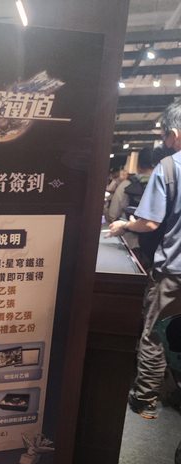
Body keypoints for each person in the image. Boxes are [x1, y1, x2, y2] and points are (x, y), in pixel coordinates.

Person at [108, 99, 181, 419]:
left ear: (174, 133)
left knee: (155, 334)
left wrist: (125, 225)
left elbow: (149, 223)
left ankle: (145, 399)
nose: (165, 142)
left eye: (165, 136)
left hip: (174, 271)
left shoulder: (170, 167)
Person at [106, 151, 153, 224]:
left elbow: (113, 213)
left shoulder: (126, 184)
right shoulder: (162, 186)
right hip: (154, 229)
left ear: (138, 165)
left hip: (128, 227)